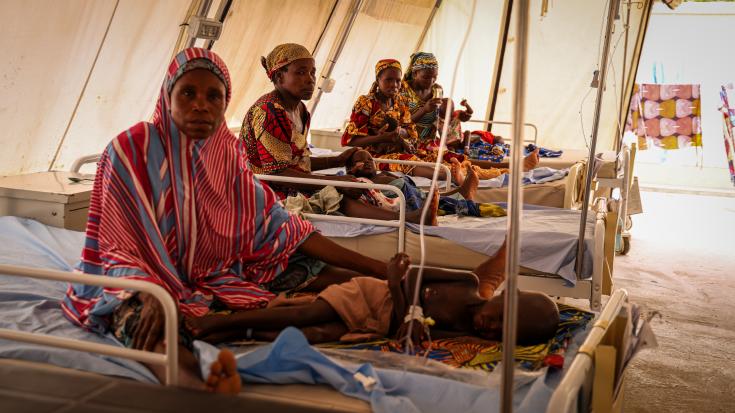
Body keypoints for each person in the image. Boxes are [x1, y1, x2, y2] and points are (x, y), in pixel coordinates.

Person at [62, 48, 392, 393]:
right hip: (134, 273)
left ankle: (393, 294)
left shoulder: (224, 151)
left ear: (225, 103)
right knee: (148, 320)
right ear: (167, 95)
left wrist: (375, 267)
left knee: (308, 269)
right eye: (188, 93)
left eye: (213, 96)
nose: (201, 105)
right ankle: (197, 382)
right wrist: (150, 291)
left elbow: (275, 221)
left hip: (214, 270)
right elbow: (115, 242)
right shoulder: (132, 150)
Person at [185, 243, 560, 347]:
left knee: (314, 337)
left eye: (498, 335)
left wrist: (410, 320)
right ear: (502, 298)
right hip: (371, 294)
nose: (488, 328)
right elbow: (405, 278)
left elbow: (406, 331)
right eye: (497, 319)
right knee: (304, 316)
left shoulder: (465, 332)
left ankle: (232, 335)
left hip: (379, 323)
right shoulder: (463, 281)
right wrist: (399, 288)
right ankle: (218, 322)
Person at [240, 44, 434, 225]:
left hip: (286, 181)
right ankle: (406, 220)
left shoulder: (300, 110)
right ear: (279, 77)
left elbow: (298, 162)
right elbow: (276, 173)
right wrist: (335, 181)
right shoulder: (269, 111)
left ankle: (418, 208)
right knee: (335, 196)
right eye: (300, 72)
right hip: (260, 190)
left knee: (363, 183)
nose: (310, 79)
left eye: (313, 72)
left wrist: (338, 161)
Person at [399, 52, 541, 182]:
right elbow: (401, 124)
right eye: (426, 77)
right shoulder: (402, 90)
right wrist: (424, 110)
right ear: (415, 72)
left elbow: (441, 119)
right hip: (409, 143)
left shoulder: (437, 89)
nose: (431, 81)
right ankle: (463, 176)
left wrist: (457, 120)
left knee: (461, 158)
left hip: (431, 142)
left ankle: (513, 166)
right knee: (449, 162)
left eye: (435, 76)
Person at [345, 149, 507, 219]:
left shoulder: (382, 174)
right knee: (434, 200)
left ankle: (461, 191)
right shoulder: (364, 182)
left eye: (369, 160)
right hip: (407, 201)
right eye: (360, 161)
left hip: (412, 192)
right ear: (351, 169)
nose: (367, 163)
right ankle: (460, 194)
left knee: (427, 194)